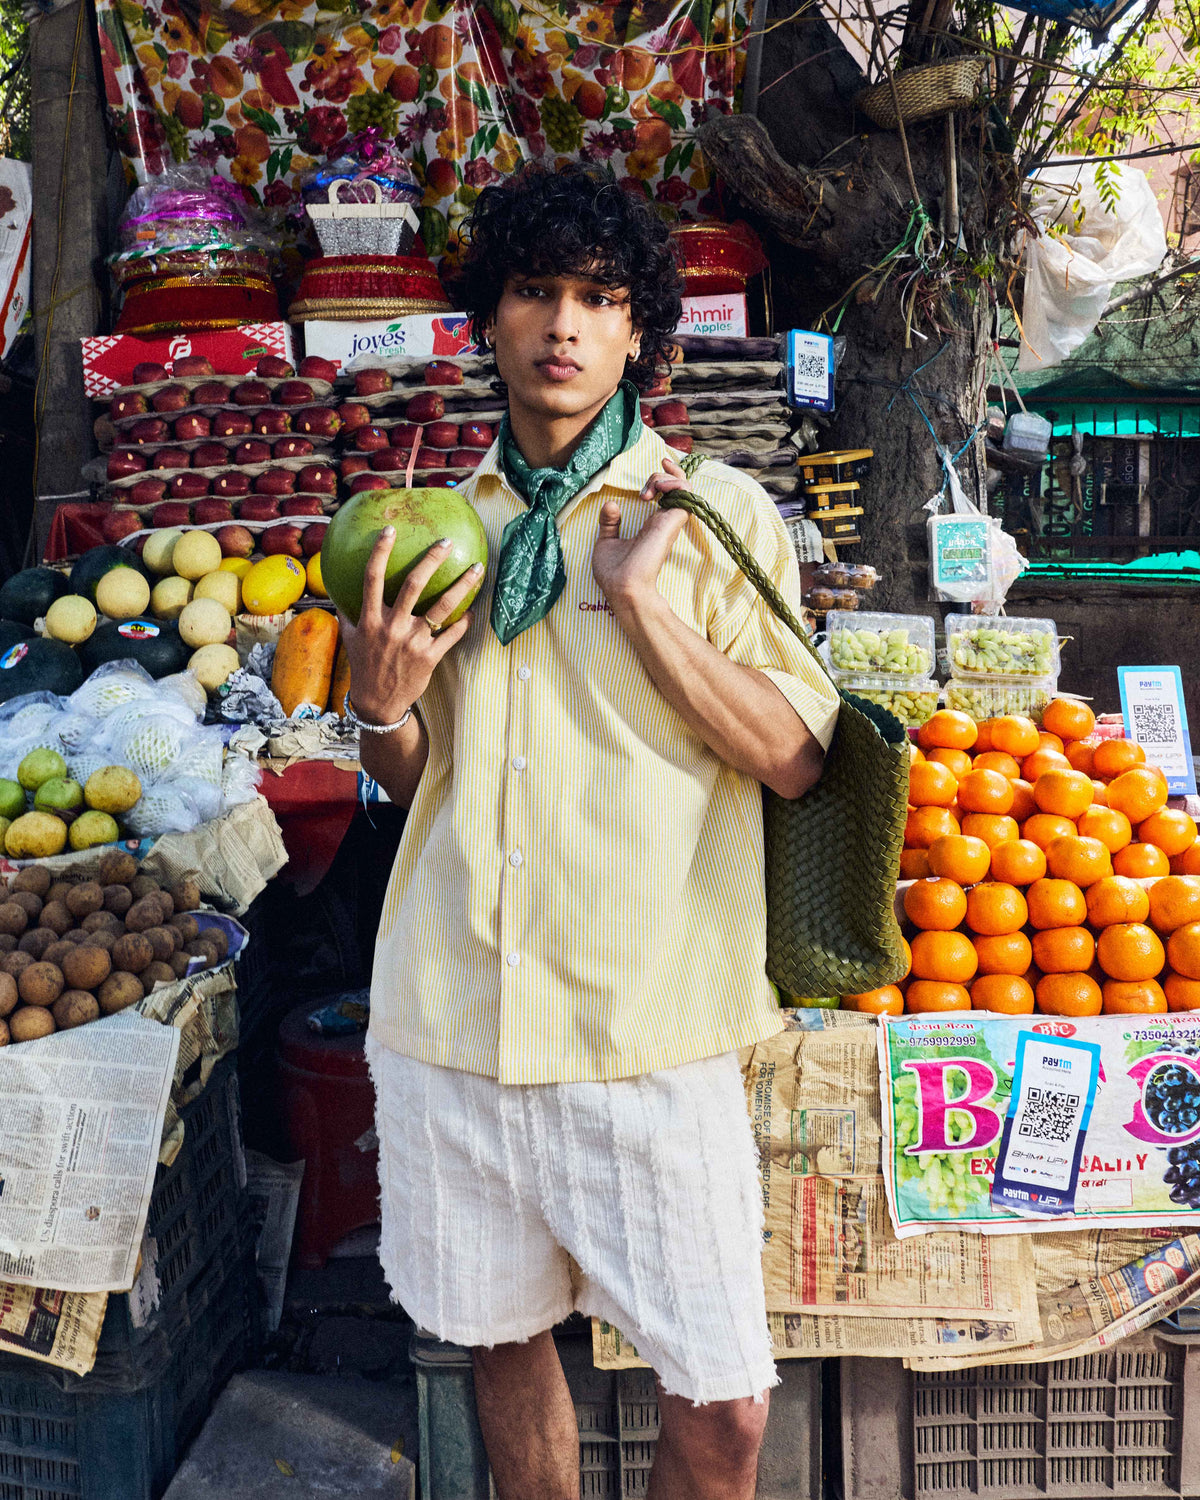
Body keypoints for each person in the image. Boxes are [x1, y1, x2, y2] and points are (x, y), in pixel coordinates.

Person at [339, 163, 840, 1500]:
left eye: (599, 299)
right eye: (533, 292)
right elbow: (414, 778)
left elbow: (798, 758)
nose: (563, 325)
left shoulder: (713, 518)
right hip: (455, 1008)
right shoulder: (437, 534)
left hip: (645, 1027)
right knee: (501, 1340)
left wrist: (649, 612)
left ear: (639, 337)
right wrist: (372, 708)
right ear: (489, 323)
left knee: (725, 1406)